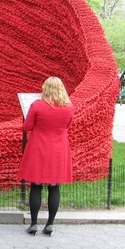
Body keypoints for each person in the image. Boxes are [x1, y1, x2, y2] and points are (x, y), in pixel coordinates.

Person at [18, 77, 75, 237]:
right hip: (59, 149)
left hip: (39, 147)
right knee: (54, 186)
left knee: (36, 186)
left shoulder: (37, 106)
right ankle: (50, 224)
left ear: (45, 88)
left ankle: (34, 223)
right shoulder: (69, 108)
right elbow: (67, 126)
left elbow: (27, 126)